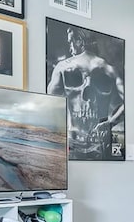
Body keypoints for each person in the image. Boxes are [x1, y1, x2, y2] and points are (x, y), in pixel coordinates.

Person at [47, 26, 124, 160]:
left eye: (71, 42)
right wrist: (110, 122)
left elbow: (49, 103)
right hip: (95, 142)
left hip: (82, 140)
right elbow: (130, 103)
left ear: (79, 41)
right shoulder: (109, 69)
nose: (70, 47)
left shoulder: (63, 67)